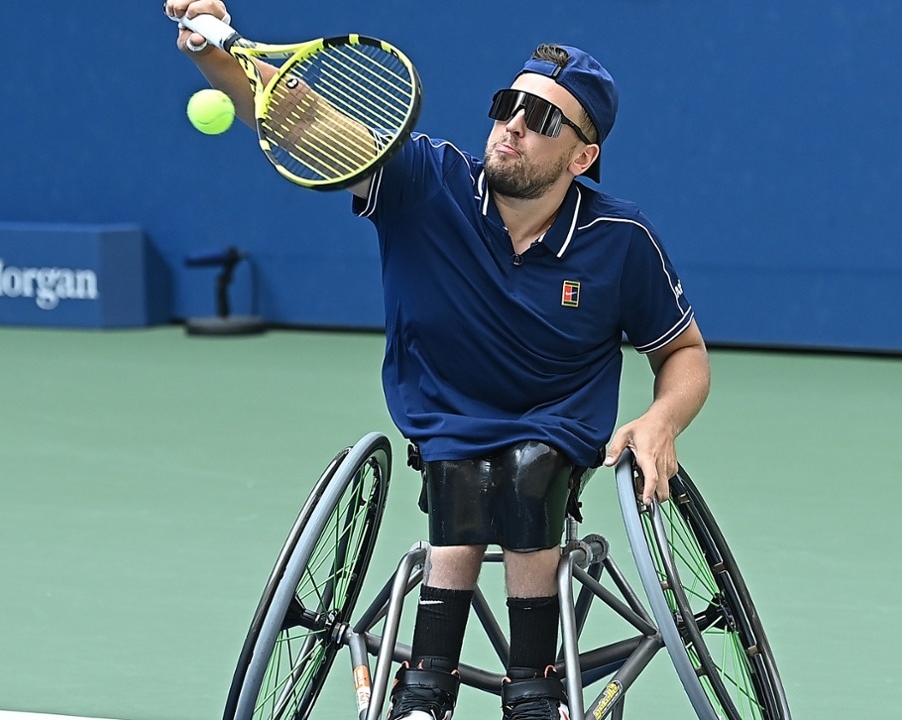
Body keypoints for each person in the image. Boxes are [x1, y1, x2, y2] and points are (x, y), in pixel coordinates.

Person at [166, 3, 711, 719]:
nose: (513, 124)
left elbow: (684, 353)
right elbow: (298, 116)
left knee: (526, 473)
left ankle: (532, 689)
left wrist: (661, 419)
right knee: (461, 468)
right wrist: (213, 50)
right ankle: (426, 685)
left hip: (557, 428)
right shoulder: (426, 182)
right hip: (447, 417)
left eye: (542, 118)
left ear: (583, 157)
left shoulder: (621, 239)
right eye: (507, 105)